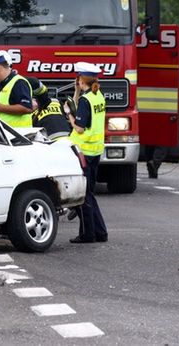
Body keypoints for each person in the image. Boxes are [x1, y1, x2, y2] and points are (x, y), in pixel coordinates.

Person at [67, 62, 108, 243]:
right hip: (95, 150)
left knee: (84, 195)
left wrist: (69, 115)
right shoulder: (97, 95)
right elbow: (84, 109)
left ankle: (88, 234)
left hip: (84, 152)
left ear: (81, 79)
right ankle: (100, 232)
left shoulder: (86, 100)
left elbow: (80, 128)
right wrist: (76, 92)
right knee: (89, 192)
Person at [0, 51, 33, 127]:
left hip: (17, 135)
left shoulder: (19, 82)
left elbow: (27, 108)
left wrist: (0, 107)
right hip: (3, 136)